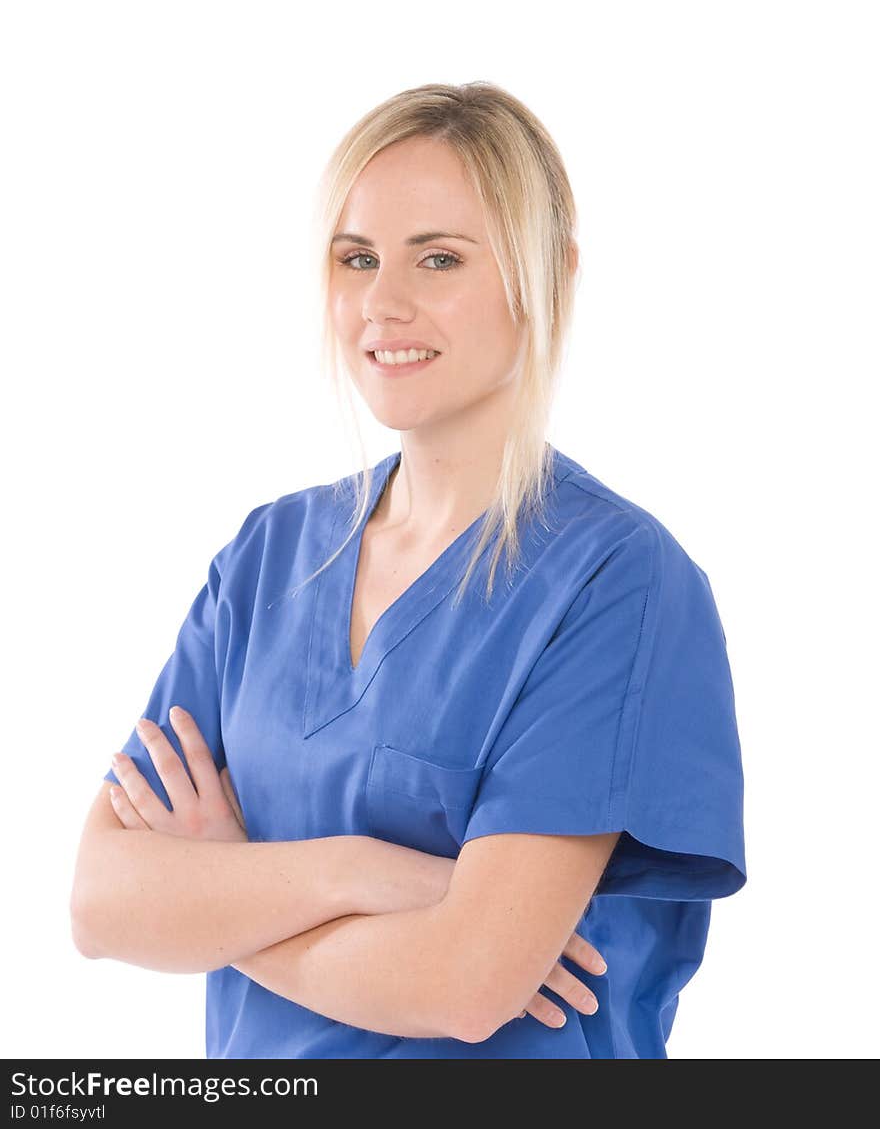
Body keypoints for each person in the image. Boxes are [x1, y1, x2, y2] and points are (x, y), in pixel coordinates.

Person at [71, 81, 746, 1059]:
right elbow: (100, 903)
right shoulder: (268, 559)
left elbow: (469, 985)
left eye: (438, 258)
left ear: (546, 275)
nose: (382, 303)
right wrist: (362, 870)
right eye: (356, 258)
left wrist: (225, 887)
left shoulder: (616, 585)